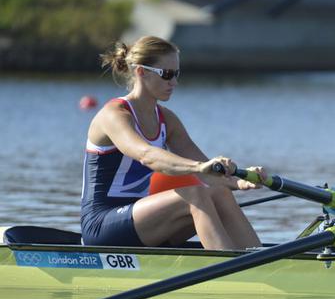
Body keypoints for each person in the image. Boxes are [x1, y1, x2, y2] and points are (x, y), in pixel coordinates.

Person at [81, 36, 264, 250]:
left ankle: (261, 265)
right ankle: (232, 272)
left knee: (219, 193)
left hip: (142, 219)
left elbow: (207, 173)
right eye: (166, 75)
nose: (174, 83)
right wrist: (198, 167)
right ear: (141, 72)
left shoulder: (167, 119)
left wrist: (241, 181)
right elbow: (147, 155)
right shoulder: (114, 115)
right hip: (101, 226)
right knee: (194, 195)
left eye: (176, 74)